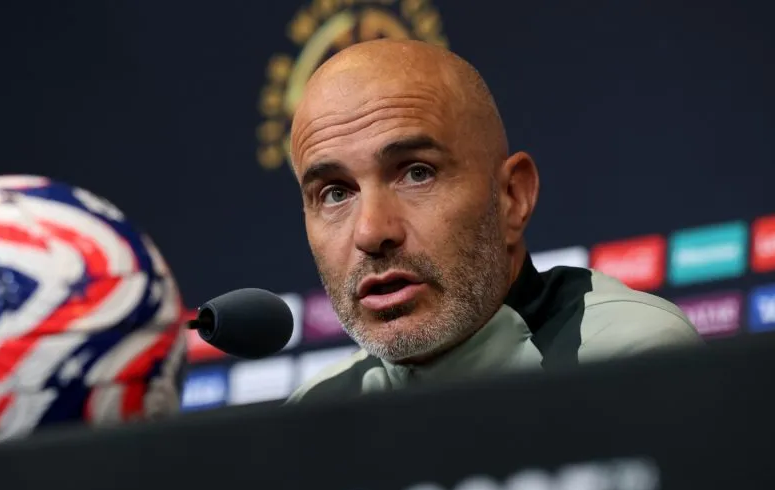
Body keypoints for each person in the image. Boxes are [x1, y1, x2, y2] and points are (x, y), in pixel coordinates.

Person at [287, 39, 701, 403]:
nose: (372, 232)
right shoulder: (312, 415)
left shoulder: (624, 358)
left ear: (512, 198)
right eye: (335, 193)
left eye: (417, 173)